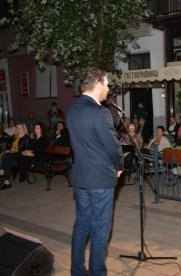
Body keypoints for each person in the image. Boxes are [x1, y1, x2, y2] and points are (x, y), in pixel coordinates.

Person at [66, 68, 123, 276]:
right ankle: (97, 272)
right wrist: (120, 165)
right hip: (100, 179)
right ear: (98, 84)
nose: (108, 89)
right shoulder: (100, 112)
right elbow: (112, 145)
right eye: (107, 85)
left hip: (81, 177)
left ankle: (77, 271)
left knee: (82, 224)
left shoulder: (72, 110)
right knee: (100, 229)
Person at [0, 123, 30, 189]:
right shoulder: (14, 137)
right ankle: (7, 182)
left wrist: (11, 152)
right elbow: (8, 145)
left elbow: (25, 151)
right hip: (11, 156)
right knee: (5, 156)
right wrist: (8, 150)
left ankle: (1, 171)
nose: (18, 129)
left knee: (6, 156)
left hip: (20, 158)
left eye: (20, 128)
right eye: (17, 128)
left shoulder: (27, 138)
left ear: (24, 129)